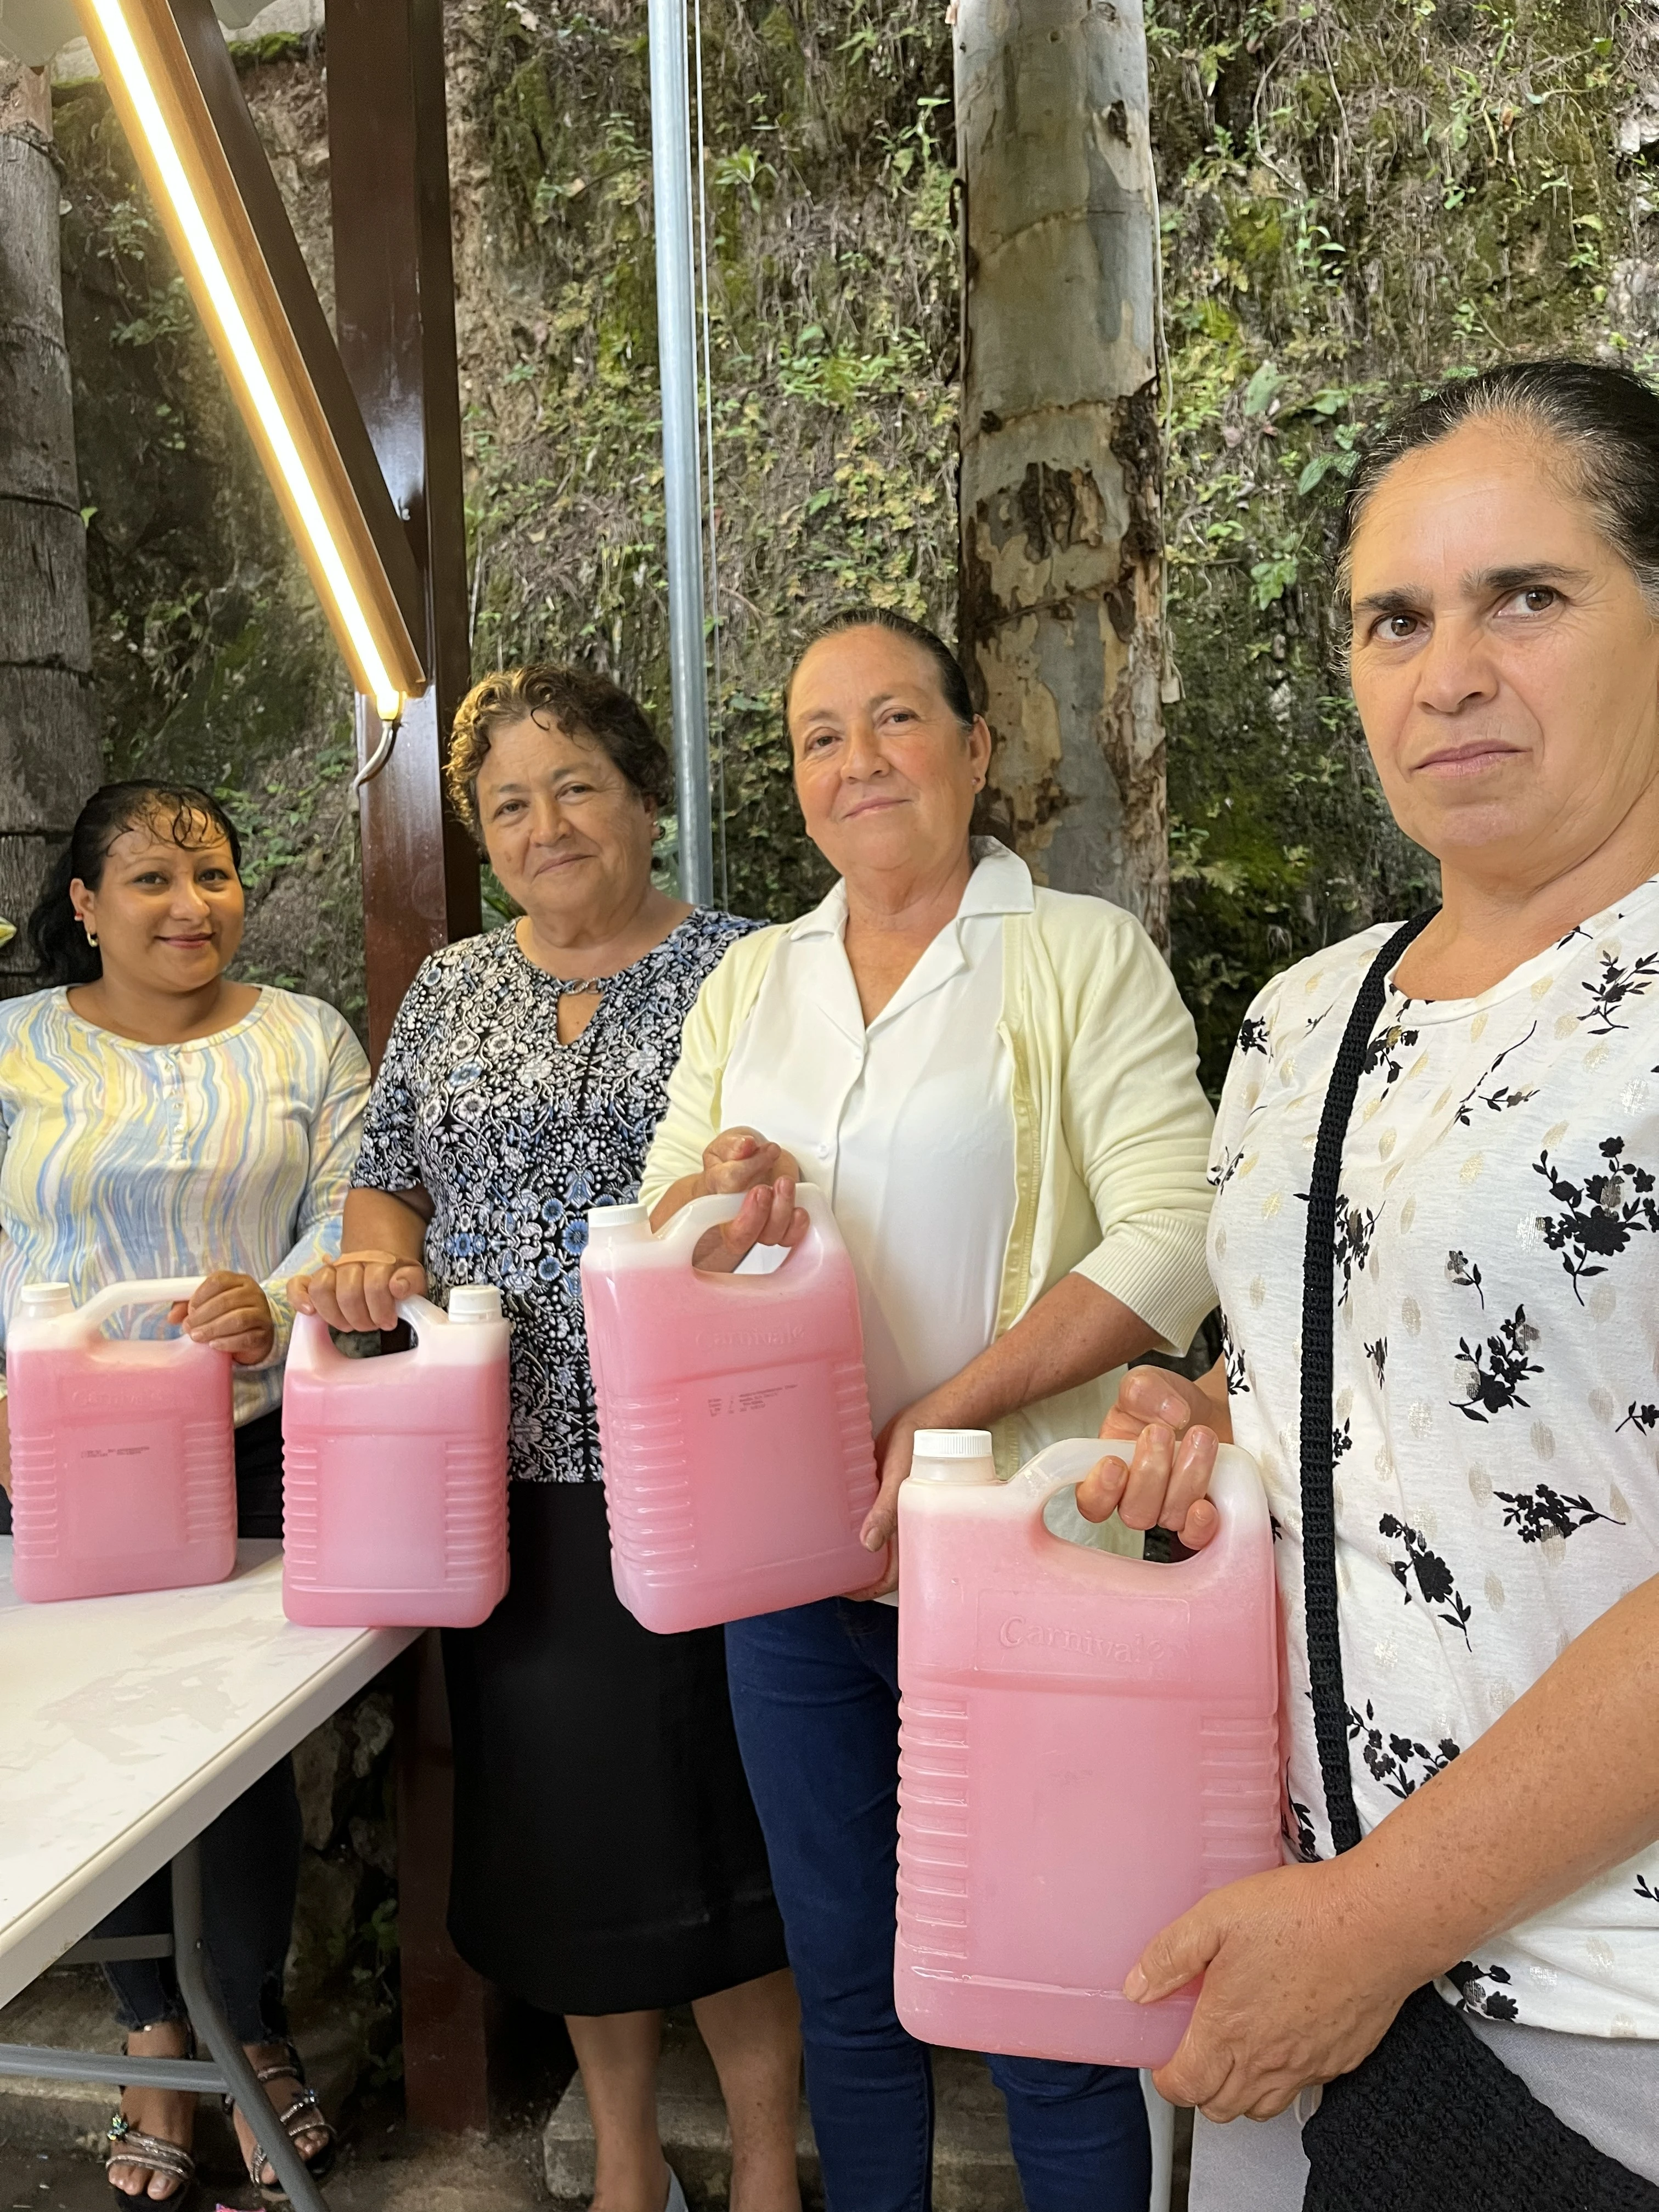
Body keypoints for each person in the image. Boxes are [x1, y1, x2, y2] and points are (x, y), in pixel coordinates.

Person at [1090, 360, 1659, 2207]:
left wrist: (1376, 1922)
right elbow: (1371, 1386)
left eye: (1530, 597)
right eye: (1394, 619)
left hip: (1604, 2010)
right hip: (1291, 1940)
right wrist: (1220, 1426)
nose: (1452, 669)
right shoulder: (1304, 1015)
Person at [640, 608, 1218, 2212]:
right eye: (821, 735)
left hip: (1030, 1551)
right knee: (849, 1984)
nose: (858, 760)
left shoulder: (1078, 953)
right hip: (797, 1569)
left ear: (974, 751)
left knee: (1050, 2002)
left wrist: (944, 1422)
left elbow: (1175, 1232)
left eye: (896, 720)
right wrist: (719, 1191)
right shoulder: (754, 979)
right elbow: (660, 1227)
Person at [292, 666, 802, 2212]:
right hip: (505, 1481)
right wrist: (376, 1256)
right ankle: (628, 2166)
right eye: (509, 803)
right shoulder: (450, 989)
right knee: (578, 1850)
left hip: (710, 1472)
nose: (545, 823)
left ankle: (773, 2168)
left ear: (646, 796)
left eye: (576, 784)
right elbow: (390, 1178)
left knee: (730, 1837)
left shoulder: (757, 969)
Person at [0, 781, 369, 2203]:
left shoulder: (304, 1037)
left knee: (238, 1750)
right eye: (151, 879)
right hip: (57, 1446)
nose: (190, 905)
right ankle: (156, 2036)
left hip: (256, 1433)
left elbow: (351, 1204)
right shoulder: (17, 1049)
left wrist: (276, 1300)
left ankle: (247, 2028)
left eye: (211, 874)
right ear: (84, 905)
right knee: (96, 1741)